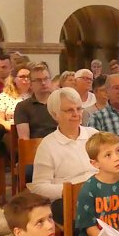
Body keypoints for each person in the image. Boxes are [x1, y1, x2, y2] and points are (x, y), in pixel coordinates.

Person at [28, 88, 98, 223]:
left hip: (103, 194)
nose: (76, 114)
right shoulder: (47, 145)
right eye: (69, 110)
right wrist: (71, 189)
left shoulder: (93, 135)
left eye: (79, 109)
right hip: (69, 199)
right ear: (55, 115)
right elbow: (39, 186)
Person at [14, 62, 58, 139]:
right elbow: (24, 140)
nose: (43, 83)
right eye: (38, 80)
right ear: (30, 84)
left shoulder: (60, 102)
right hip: (36, 147)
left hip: (61, 145)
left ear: (50, 81)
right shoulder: (22, 107)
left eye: (46, 79)